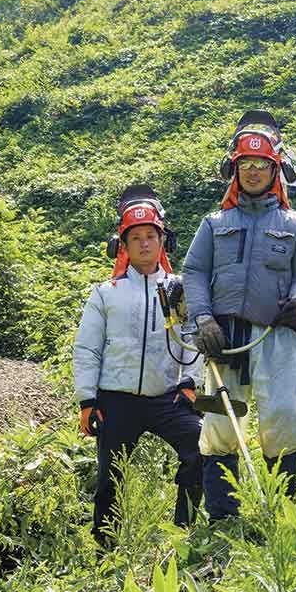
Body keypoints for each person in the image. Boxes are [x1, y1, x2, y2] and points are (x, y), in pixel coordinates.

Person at [182, 114, 296, 518]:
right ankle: (224, 515)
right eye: (247, 166)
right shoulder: (214, 223)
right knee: (220, 427)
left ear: (275, 170)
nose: (254, 173)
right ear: (235, 171)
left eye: (262, 166)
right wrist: (203, 319)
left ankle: (283, 509)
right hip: (223, 338)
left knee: (282, 416)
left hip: (277, 335)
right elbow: (194, 272)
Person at [73, 186, 203, 548]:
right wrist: (87, 400)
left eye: (151, 236)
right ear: (123, 246)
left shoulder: (179, 289)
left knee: (199, 448)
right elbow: (87, 348)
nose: (144, 244)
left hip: (167, 397)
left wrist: (190, 381)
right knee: (109, 477)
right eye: (136, 238)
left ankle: (184, 530)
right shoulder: (105, 293)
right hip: (116, 399)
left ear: (164, 241)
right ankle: (104, 546)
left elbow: (192, 339)